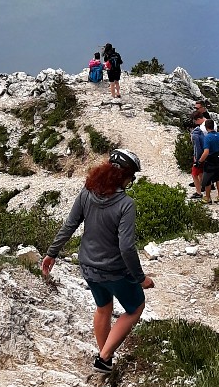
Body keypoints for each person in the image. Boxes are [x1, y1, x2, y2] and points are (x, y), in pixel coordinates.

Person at [41, 148, 154, 373]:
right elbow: (126, 247)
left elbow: (69, 225)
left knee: (103, 308)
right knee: (135, 307)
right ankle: (103, 357)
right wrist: (140, 278)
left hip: (88, 266)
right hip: (113, 270)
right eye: (132, 176)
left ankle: (105, 361)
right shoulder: (125, 204)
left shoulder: (87, 191)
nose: (132, 180)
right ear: (124, 176)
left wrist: (52, 253)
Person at [200, 119, 219, 204]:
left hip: (210, 160)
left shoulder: (207, 137)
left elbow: (206, 152)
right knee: (218, 178)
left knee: (207, 180)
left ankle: (207, 198)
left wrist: (200, 161)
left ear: (206, 127)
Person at [189, 116, 206, 199]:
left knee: (194, 174)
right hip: (205, 155)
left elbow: (197, 148)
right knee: (201, 173)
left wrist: (196, 158)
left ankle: (198, 192)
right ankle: (202, 187)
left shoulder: (195, 136)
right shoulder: (202, 134)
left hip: (199, 157)